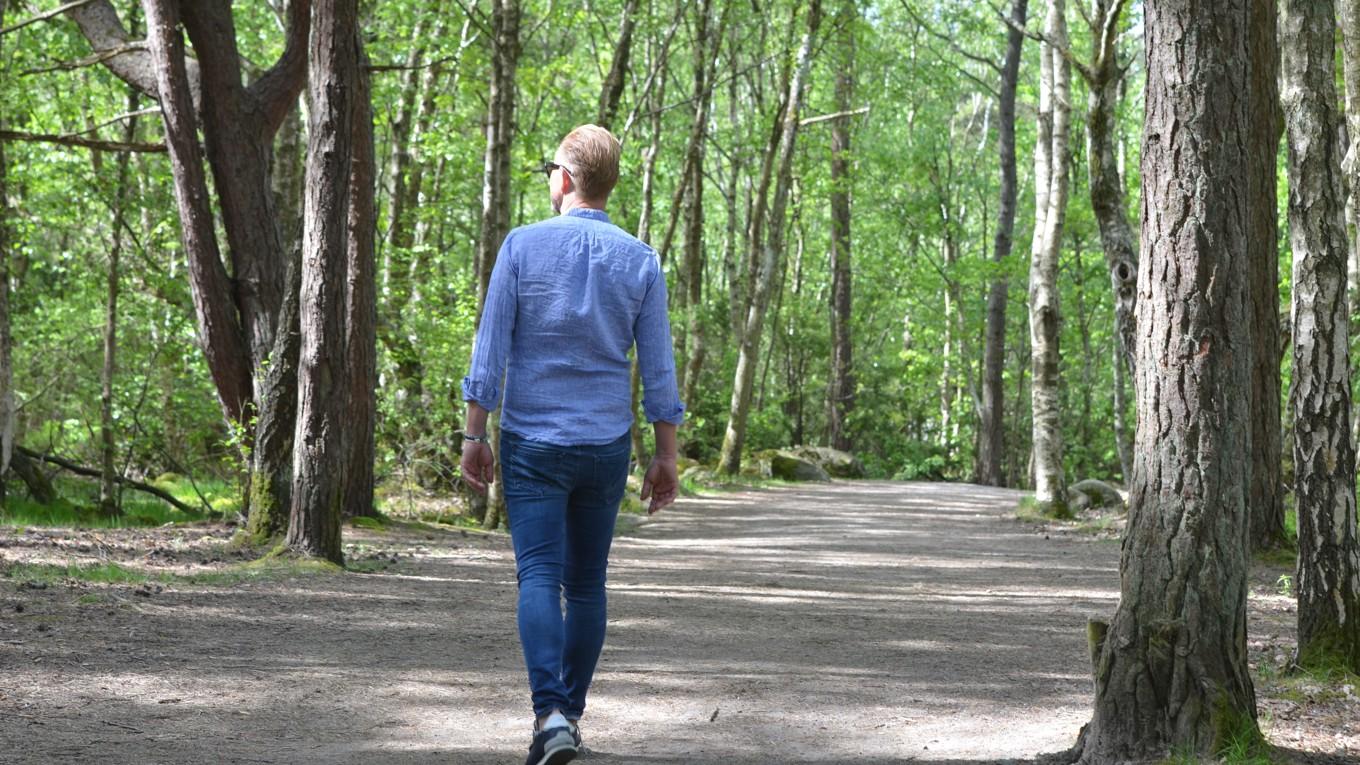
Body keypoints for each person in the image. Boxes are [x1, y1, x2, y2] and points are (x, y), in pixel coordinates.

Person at [459, 123, 685, 765]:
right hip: (605, 443)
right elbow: (660, 370)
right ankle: (569, 717)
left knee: (538, 575)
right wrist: (665, 456)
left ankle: (550, 715)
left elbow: (490, 348)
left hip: (531, 438)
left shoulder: (522, 246)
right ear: (607, 185)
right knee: (586, 583)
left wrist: (474, 433)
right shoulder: (640, 259)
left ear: (561, 178)